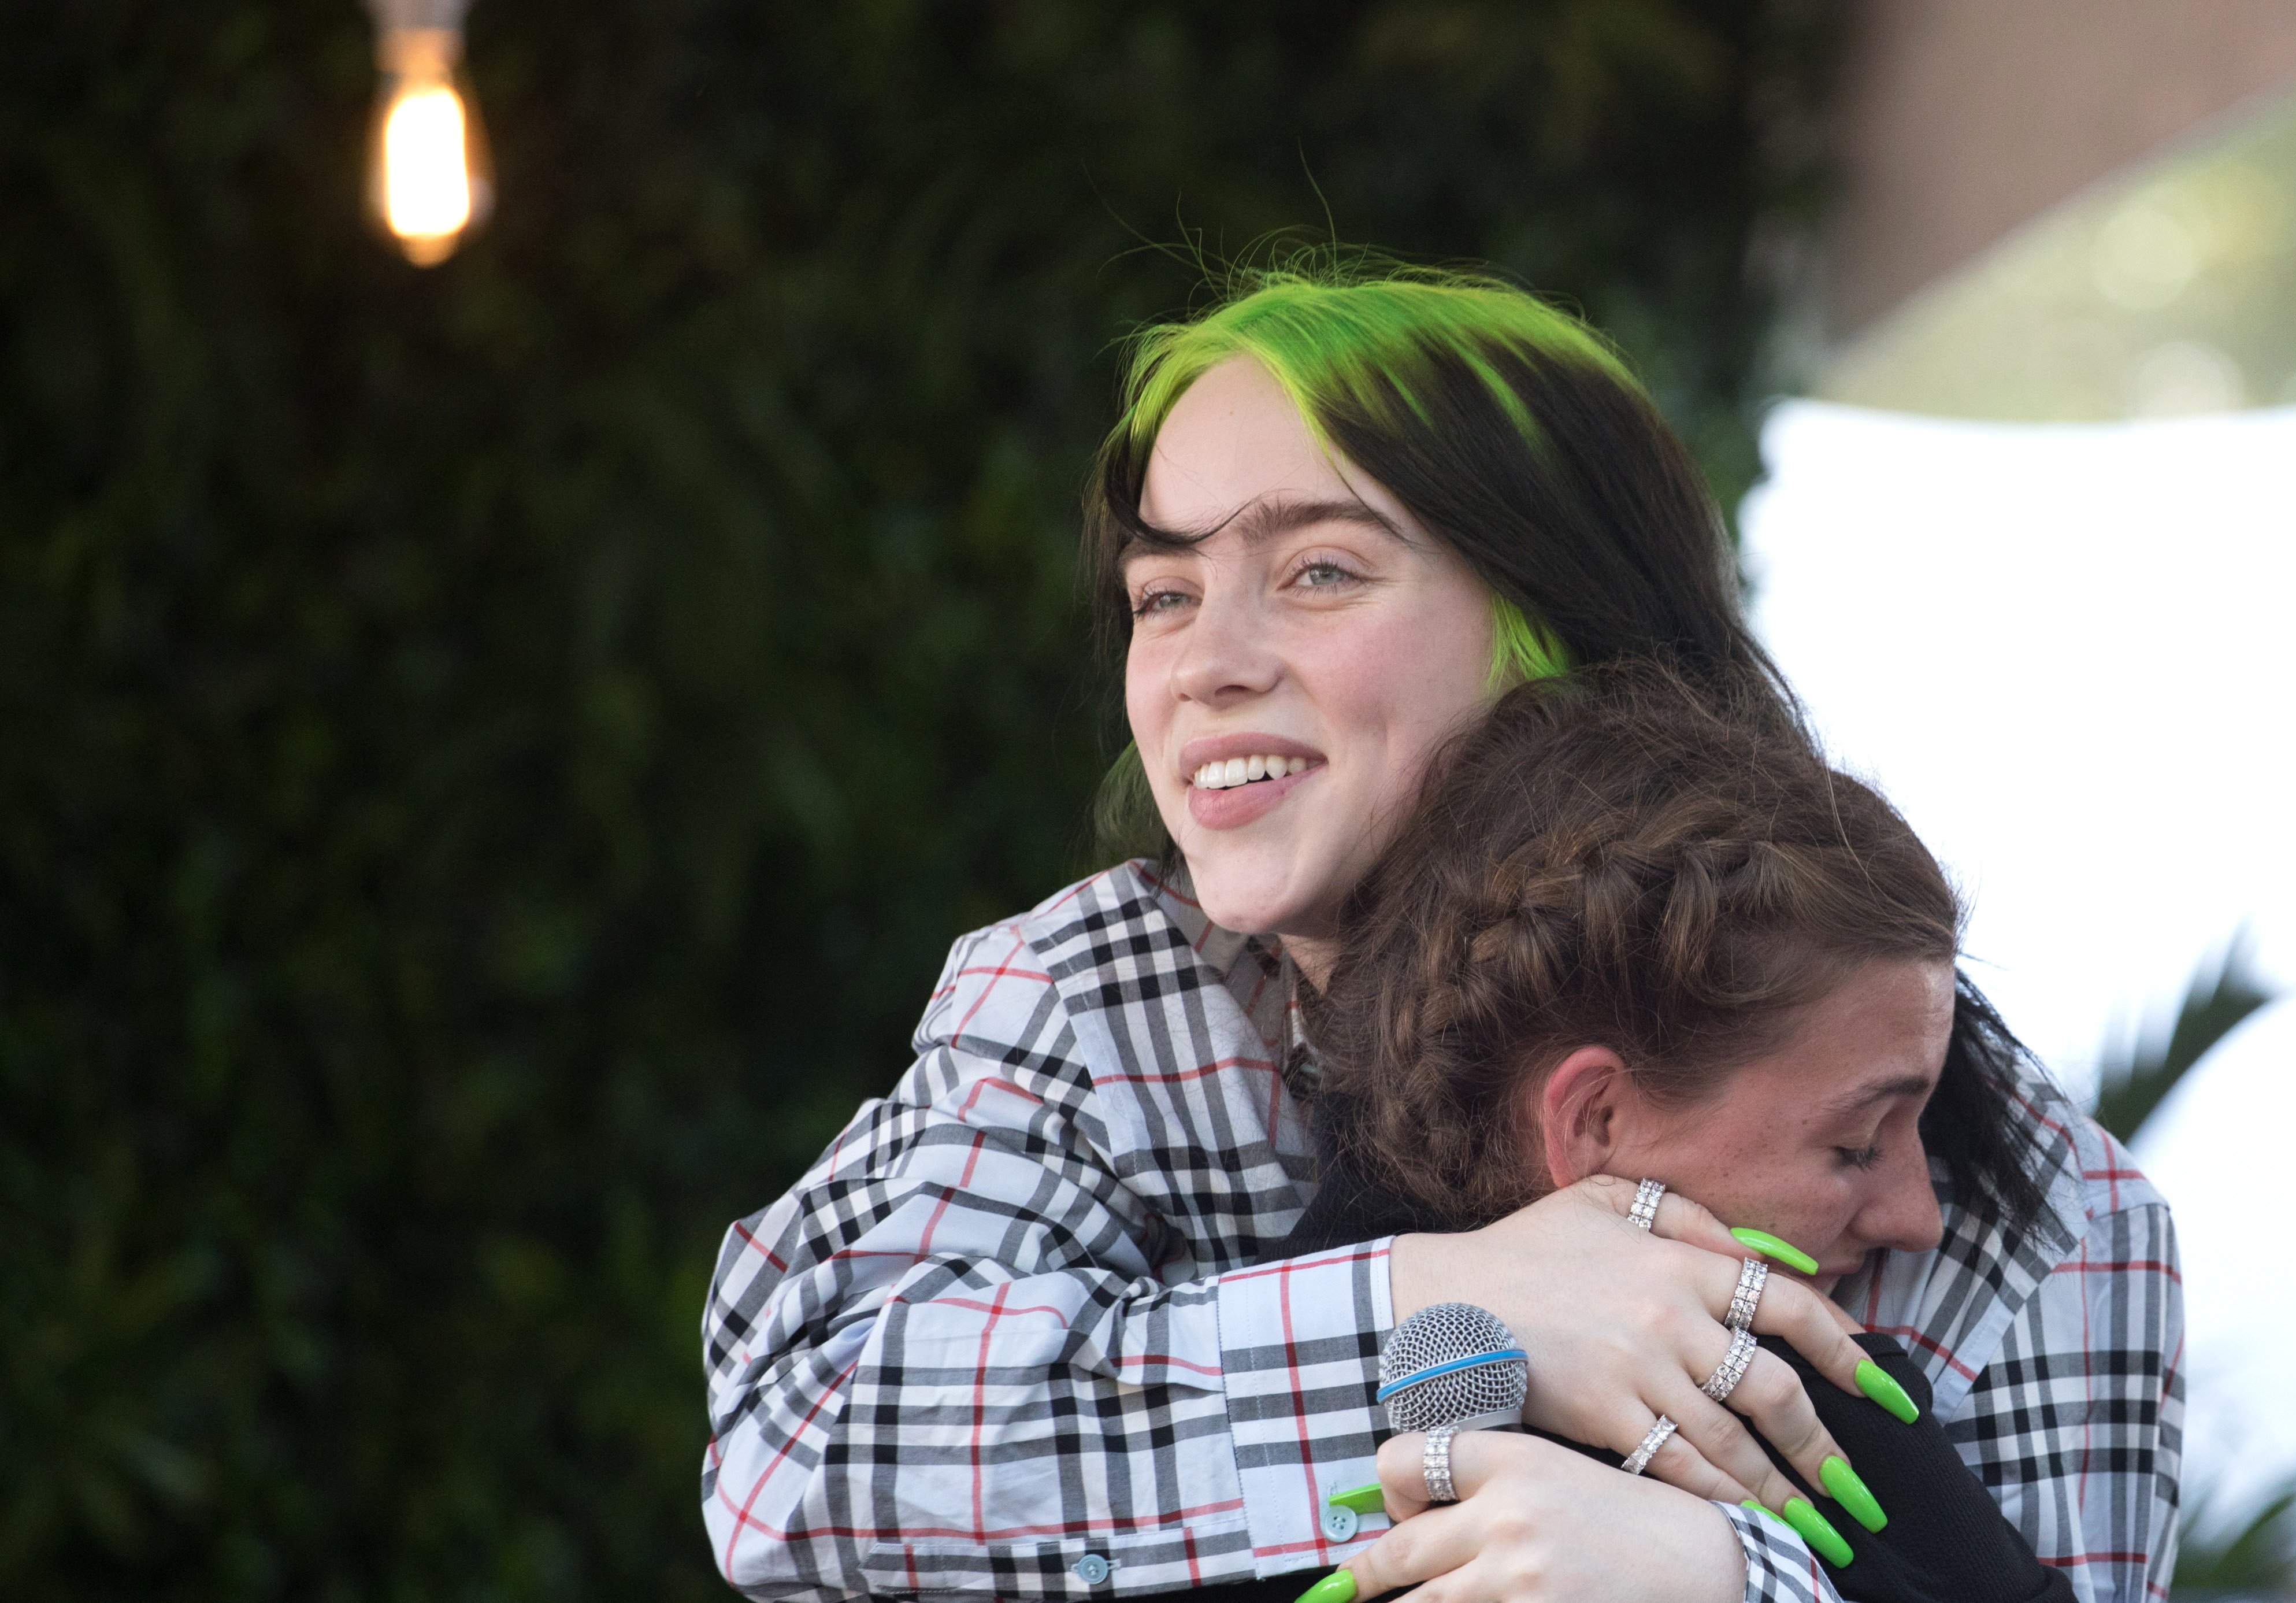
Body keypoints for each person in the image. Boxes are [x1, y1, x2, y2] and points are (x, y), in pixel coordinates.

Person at [700, 264, 2182, 1603]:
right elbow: (797, 1450)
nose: (1203, 665)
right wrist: (1456, 1309)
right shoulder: (1099, 996)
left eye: (1319, 570)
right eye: (1164, 592)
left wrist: (1729, 1585)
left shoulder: (2001, 1187)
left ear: (1567, 613)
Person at [1277, 662, 2100, 1603]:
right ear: (1596, 1120)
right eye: (1858, 1141)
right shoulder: (1827, 1421)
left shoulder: (1217, 1415)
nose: (1919, 1217)